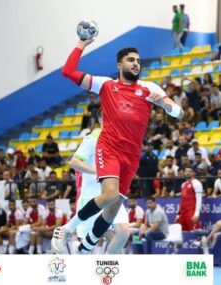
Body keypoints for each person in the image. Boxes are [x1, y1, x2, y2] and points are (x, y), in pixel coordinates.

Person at [53, 38, 183, 254]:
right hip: (109, 147)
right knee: (110, 195)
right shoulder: (106, 85)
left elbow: (179, 112)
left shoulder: (149, 88)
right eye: (130, 60)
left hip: (131, 156)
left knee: (112, 212)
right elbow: (68, 71)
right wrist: (81, 45)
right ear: (119, 65)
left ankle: (84, 248)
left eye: (138, 61)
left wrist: (165, 105)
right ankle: (67, 229)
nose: (136, 64)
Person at [67, 110, 130, 254]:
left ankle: (107, 268)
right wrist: (99, 171)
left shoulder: (119, 140)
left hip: (113, 195)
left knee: (123, 232)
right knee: (86, 244)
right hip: (92, 198)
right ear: (101, 119)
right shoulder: (92, 138)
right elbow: (74, 162)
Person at [175, 167, 202, 231]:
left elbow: (199, 199)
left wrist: (196, 214)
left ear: (194, 173)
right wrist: (178, 214)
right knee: (182, 233)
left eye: (190, 171)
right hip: (183, 213)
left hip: (191, 212)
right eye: (186, 171)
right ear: (184, 173)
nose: (188, 173)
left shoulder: (197, 183)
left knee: (195, 232)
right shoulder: (183, 184)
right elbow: (182, 200)